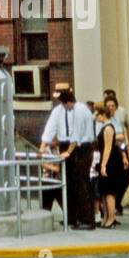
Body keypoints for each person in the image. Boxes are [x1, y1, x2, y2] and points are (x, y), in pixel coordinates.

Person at [40, 89, 96, 229]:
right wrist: (43, 145)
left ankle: (87, 220)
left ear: (69, 102)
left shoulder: (80, 111)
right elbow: (50, 127)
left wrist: (68, 152)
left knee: (81, 183)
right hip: (67, 145)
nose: (65, 108)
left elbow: (76, 135)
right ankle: (73, 217)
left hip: (81, 147)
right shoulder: (60, 110)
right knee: (69, 183)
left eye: (65, 104)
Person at [97, 109, 129, 230]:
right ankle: (106, 217)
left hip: (110, 161)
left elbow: (108, 147)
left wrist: (103, 164)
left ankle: (111, 217)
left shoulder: (108, 128)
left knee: (109, 190)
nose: (96, 117)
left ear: (102, 114)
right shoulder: (105, 127)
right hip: (106, 159)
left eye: (98, 114)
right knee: (104, 190)